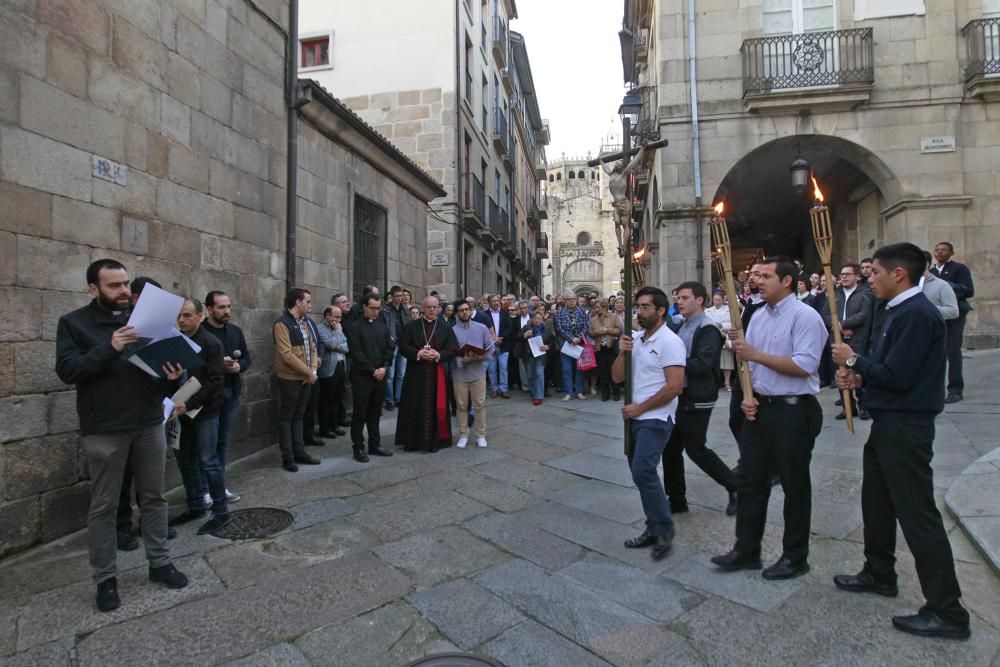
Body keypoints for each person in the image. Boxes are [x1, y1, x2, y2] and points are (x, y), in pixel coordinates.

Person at [832, 242, 970, 640]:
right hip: (888, 422)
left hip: (906, 428)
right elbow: (887, 372)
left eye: (874, 273)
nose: (868, 279)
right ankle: (879, 571)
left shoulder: (915, 314)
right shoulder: (895, 311)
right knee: (876, 501)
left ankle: (947, 611)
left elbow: (898, 375)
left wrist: (854, 361)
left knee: (917, 514)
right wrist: (858, 377)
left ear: (899, 274)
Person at [55, 259, 188, 612]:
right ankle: (106, 579)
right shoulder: (74, 323)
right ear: (93, 289)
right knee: (104, 506)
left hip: (146, 421)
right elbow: (68, 370)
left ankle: (160, 563)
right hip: (105, 428)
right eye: (113, 285)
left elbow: (156, 371)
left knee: (155, 497)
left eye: (126, 284)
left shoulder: (144, 321)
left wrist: (173, 375)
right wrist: (109, 347)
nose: (123, 292)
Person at [712, 256, 826, 580]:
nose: (756, 280)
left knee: (794, 484)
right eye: (755, 275)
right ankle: (746, 549)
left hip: (794, 411)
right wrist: (749, 396)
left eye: (765, 276)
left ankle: (795, 556)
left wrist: (753, 354)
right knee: (750, 481)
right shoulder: (758, 315)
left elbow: (804, 365)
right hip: (760, 410)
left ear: (786, 281)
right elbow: (751, 365)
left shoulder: (806, 317)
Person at [612, 286, 686, 561]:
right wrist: (622, 352)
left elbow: (675, 387)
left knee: (643, 470)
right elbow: (618, 378)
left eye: (645, 307)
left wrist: (640, 408)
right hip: (635, 417)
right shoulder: (637, 340)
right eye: (637, 307)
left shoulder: (670, 342)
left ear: (661, 311)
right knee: (640, 474)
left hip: (655, 417)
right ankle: (653, 527)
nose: (639, 312)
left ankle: (664, 527)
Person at [663, 282, 738, 516]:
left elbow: (703, 365)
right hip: (680, 394)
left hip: (697, 395)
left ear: (700, 300)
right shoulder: (681, 324)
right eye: (678, 298)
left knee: (696, 448)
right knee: (671, 448)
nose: (680, 301)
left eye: (685, 297)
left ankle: (736, 486)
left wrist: (671, 364)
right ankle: (676, 499)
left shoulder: (708, 328)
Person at [116, 276, 168, 552]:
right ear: (137, 298)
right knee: (121, 477)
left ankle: (153, 528)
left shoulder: (158, 328)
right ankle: (122, 527)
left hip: (150, 411)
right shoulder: (118, 326)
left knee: (152, 481)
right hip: (119, 415)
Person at [169, 298, 229, 536]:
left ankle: (221, 510)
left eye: (187, 315)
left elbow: (215, 382)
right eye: (179, 316)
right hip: (179, 411)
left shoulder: (211, 343)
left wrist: (190, 404)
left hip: (204, 412)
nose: (182, 320)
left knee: (208, 460)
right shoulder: (175, 341)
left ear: (200, 316)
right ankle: (195, 504)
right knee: (185, 459)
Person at [395, 296, 459, 452]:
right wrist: (418, 353)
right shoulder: (412, 325)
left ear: (439, 308)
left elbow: (452, 348)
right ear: (423, 307)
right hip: (415, 374)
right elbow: (402, 345)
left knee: (436, 406)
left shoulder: (445, 327)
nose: (432, 310)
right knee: (414, 405)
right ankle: (412, 441)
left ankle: (435, 440)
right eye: (429, 307)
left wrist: (438, 355)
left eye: (435, 307)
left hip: (437, 374)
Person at [202, 291, 248, 505]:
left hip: (231, 392)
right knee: (206, 444)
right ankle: (203, 489)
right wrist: (218, 364)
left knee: (222, 442)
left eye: (228, 306)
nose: (227, 311)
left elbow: (247, 358)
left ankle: (219, 486)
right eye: (221, 307)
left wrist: (239, 366)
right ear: (209, 309)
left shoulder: (235, 331)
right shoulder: (200, 332)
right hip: (209, 396)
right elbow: (193, 364)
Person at [272, 288, 322, 472]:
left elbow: (313, 347)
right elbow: (286, 354)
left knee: (299, 416)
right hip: (290, 378)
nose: (310, 305)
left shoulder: (305, 322)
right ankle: (288, 457)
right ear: (298, 302)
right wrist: (308, 372)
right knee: (287, 417)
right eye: (308, 301)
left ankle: (299, 452)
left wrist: (314, 369)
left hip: (306, 377)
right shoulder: (282, 324)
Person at [344, 293, 394, 462]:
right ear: (364, 307)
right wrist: (373, 370)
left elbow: (389, 348)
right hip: (362, 377)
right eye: (372, 308)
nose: (375, 311)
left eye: (378, 308)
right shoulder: (354, 327)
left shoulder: (383, 326)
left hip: (380, 376)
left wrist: (385, 367)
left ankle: (375, 445)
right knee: (360, 413)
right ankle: (358, 447)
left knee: (375, 412)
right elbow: (356, 352)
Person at [931, 241, 974, 403]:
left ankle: (955, 389)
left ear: (951, 253)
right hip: (936, 316)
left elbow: (968, 290)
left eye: (944, 250)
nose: (940, 253)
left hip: (954, 316)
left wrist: (947, 287)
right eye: (937, 250)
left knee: (953, 352)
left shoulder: (959, 269)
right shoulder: (932, 271)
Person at [451, 299, 494, 446]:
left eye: (467, 309)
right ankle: (463, 434)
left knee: (479, 404)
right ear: (457, 313)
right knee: (461, 405)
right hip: (459, 374)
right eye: (461, 310)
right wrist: (462, 360)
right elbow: (451, 352)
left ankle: (481, 435)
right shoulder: (452, 330)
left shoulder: (482, 328)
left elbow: (490, 347)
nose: (465, 312)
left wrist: (479, 356)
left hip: (478, 372)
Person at [832, 263, 872, 420]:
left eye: (847, 274)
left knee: (858, 371)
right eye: (842, 274)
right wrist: (838, 327)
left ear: (857, 276)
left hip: (857, 340)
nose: (844, 277)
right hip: (839, 339)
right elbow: (826, 313)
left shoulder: (864, 293)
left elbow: (863, 314)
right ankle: (847, 406)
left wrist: (844, 324)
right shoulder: (836, 294)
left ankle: (864, 406)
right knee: (841, 373)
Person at [601, 144, 649, 256]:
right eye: (616, 163)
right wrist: (600, 161)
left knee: (625, 224)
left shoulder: (623, 173)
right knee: (617, 223)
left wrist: (641, 150)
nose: (617, 164)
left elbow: (633, 163)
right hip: (616, 204)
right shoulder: (612, 174)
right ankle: (620, 246)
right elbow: (605, 168)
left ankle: (624, 247)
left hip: (624, 202)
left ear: (622, 166)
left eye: (619, 163)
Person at [316, 305, 349, 439]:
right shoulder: (320, 328)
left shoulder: (337, 328)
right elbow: (330, 344)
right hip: (329, 369)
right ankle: (325, 428)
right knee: (327, 399)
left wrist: (337, 343)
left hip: (341, 365)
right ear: (327, 316)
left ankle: (334, 426)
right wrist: (337, 333)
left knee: (337, 398)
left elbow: (348, 346)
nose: (338, 320)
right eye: (336, 316)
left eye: (340, 317)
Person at [555, 292, 590, 401]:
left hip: (579, 344)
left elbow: (586, 326)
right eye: (569, 299)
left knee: (579, 369)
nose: (571, 301)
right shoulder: (560, 312)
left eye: (573, 299)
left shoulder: (582, 311)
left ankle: (579, 391)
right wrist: (571, 339)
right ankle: (569, 392)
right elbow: (559, 328)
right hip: (566, 345)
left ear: (576, 300)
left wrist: (579, 338)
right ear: (565, 301)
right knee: (567, 369)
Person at [590, 297, 621, 401]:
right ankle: (605, 393)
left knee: (613, 370)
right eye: (595, 307)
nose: (596, 309)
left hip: (611, 347)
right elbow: (590, 333)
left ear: (604, 307)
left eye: (598, 307)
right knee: (603, 372)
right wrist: (597, 332)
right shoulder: (593, 319)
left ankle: (616, 392)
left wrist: (608, 330)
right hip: (600, 349)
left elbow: (620, 330)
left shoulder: (613, 316)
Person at [521, 309, 554, 405]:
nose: (537, 320)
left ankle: (539, 396)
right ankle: (534, 392)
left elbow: (552, 341)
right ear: (532, 319)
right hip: (530, 355)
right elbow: (517, 337)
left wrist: (548, 346)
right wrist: (524, 335)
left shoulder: (546, 329)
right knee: (530, 376)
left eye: (539, 319)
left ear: (542, 320)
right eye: (535, 318)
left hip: (541, 355)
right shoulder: (527, 327)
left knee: (539, 374)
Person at [383, 286, 408, 410]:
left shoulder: (404, 309)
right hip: (391, 344)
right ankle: (389, 399)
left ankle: (399, 398)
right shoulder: (386, 309)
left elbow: (407, 324)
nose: (399, 298)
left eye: (401, 296)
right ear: (392, 296)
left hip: (403, 343)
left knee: (401, 373)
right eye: (397, 296)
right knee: (390, 374)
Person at [705, 291, 735, 392]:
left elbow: (733, 323)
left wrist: (722, 326)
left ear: (723, 300)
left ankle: (727, 382)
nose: (717, 302)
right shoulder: (707, 311)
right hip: (712, 336)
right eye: (715, 300)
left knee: (727, 360)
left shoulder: (729, 310)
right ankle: (714, 381)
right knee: (713, 360)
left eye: (718, 300)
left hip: (725, 336)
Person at [484, 294, 514, 398]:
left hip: (503, 344)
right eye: (494, 301)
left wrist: (501, 338)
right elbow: (483, 329)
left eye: (498, 301)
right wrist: (493, 339)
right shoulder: (484, 315)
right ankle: (494, 389)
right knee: (491, 369)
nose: (496, 303)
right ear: (489, 303)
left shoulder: (505, 313)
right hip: (490, 346)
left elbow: (509, 328)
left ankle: (504, 389)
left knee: (503, 367)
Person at [920, 250, 959, 322]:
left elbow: (953, 312)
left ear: (927, 264)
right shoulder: (904, 285)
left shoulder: (942, 285)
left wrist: (927, 309)